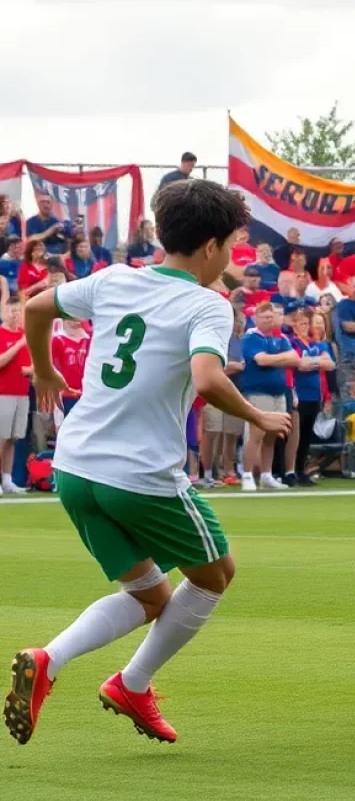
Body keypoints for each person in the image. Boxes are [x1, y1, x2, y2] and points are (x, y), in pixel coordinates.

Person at [4, 179, 291, 746]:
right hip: (139, 476)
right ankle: (133, 683)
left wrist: (42, 369)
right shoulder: (208, 303)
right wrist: (259, 418)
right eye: (232, 244)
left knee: (151, 597)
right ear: (211, 246)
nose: (232, 257)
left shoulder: (114, 279)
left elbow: (37, 307)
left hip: (76, 468)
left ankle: (50, 659)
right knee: (215, 575)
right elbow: (209, 378)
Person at [239, 301, 300, 491]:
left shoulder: (280, 337)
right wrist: (281, 359)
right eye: (265, 317)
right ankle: (247, 474)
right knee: (256, 434)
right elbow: (260, 360)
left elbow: (295, 359)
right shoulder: (251, 338)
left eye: (271, 316)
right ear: (256, 318)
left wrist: (274, 359)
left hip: (278, 392)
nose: (269, 320)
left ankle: (266, 474)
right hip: (258, 392)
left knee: (272, 435)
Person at [199, 311, 246, 487]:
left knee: (231, 433)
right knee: (212, 432)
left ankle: (228, 471)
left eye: (240, 321)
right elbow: (208, 369)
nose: (238, 324)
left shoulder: (240, 342)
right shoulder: (214, 339)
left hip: (235, 390)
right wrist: (230, 367)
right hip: (214, 391)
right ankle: (209, 472)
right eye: (236, 321)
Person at [289, 309, 335, 486]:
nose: (304, 327)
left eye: (306, 324)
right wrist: (317, 362)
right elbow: (299, 365)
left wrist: (312, 362)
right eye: (300, 324)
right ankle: (291, 470)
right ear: (294, 326)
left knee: (306, 436)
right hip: (299, 394)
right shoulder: (293, 343)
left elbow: (330, 364)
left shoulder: (313, 345)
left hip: (314, 395)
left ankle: (301, 470)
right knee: (296, 435)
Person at [0, 298, 31, 494]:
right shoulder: (3, 334)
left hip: (22, 393)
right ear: (4, 312)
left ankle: (7, 479)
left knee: (13, 438)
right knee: (0, 438)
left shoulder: (25, 336)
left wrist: (33, 370)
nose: (15, 315)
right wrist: (19, 344)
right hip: (3, 393)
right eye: (12, 311)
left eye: (18, 311)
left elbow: (30, 364)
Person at [51, 316, 91, 417]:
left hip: (84, 394)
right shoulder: (57, 340)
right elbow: (51, 366)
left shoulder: (87, 340)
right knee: (63, 428)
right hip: (64, 394)